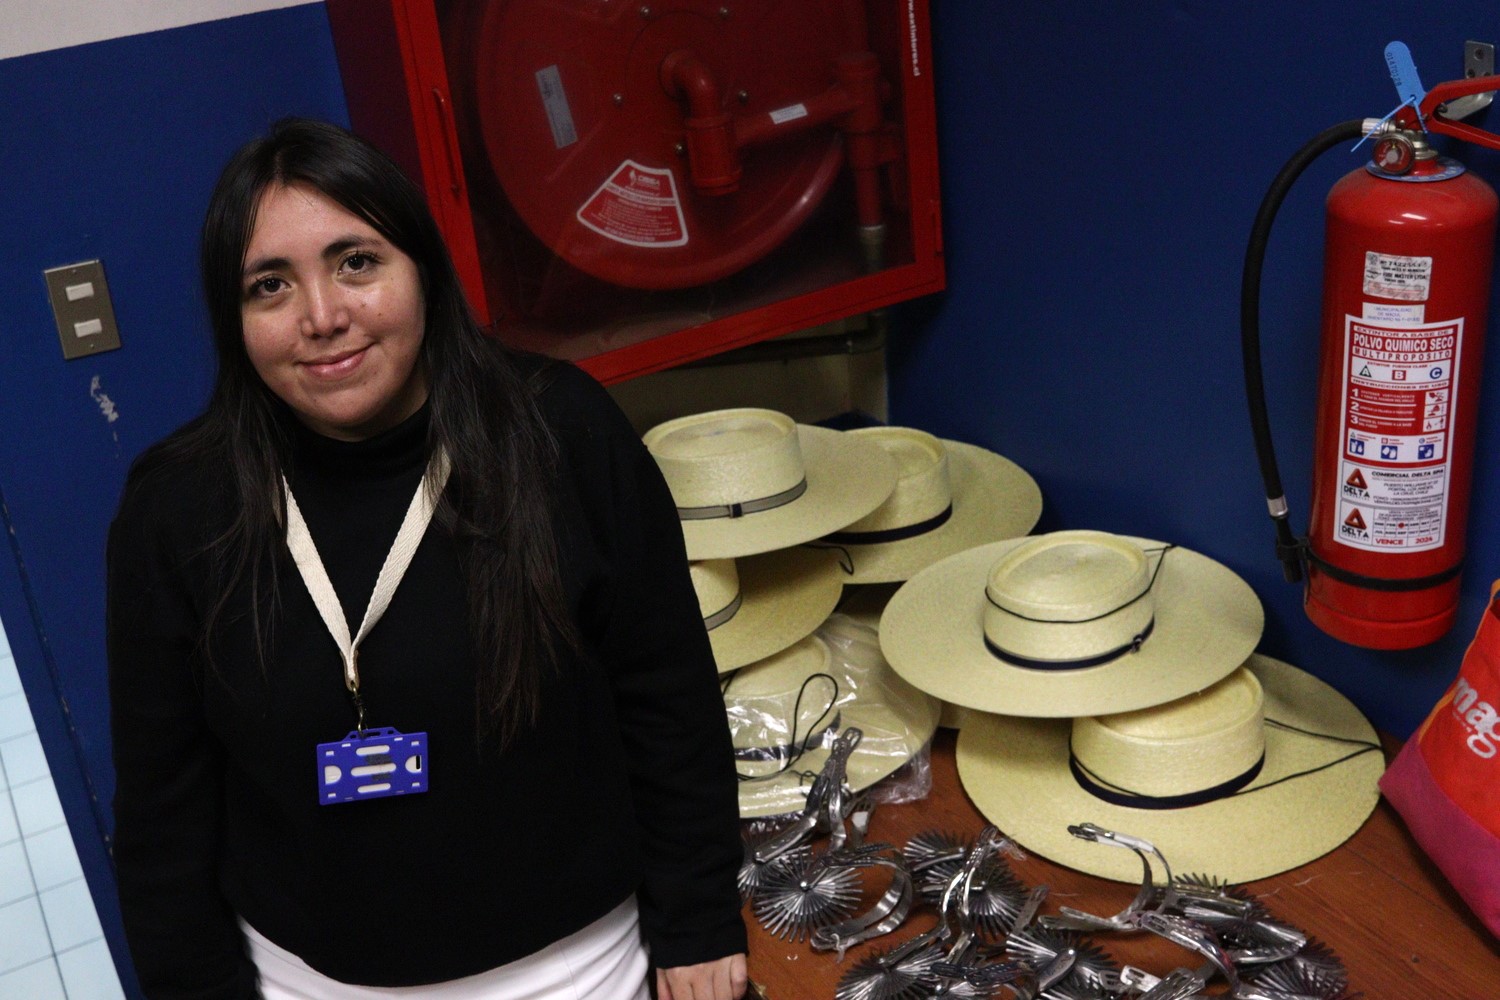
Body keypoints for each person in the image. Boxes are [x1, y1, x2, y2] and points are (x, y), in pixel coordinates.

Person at [106, 117, 749, 1000]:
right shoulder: (179, 509)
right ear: (235, 318)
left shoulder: (559, 432)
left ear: (422, 270)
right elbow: (162, 808)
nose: (323, 317)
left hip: (584, 970)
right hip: (310, 985)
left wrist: (699, 918)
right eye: (270, 285)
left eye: (356, 262)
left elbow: (667, 695)